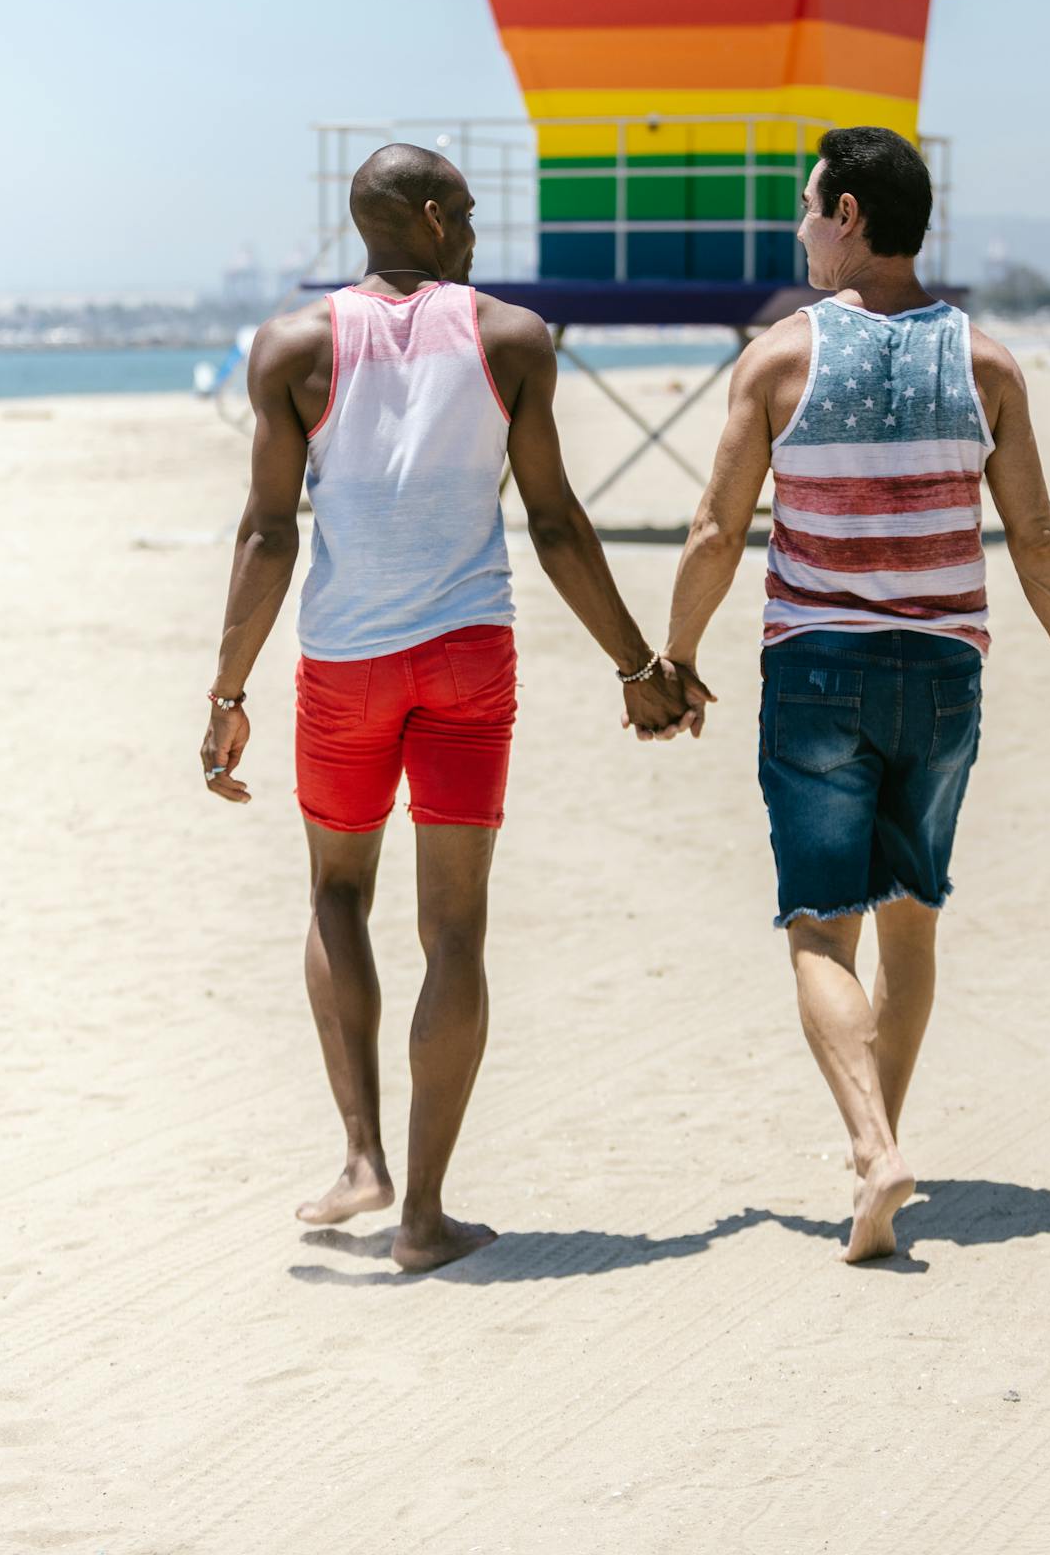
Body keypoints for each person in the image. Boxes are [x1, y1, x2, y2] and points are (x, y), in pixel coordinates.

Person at [200, 144, 691, 1272]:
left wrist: (229, 692)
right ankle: (422, 1217)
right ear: (429, 215)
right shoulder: (511, 338)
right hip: (469, 657)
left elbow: (268, 532)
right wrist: (635, 667)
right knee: (455, 929)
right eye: (464, 209)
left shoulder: (291, 347)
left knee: (335, 892)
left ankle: (362, 1155)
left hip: (344, 666)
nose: (473, 227)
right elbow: (557, 522)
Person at [658, 126, 1050, 1263]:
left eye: (810, 206)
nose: (801, 226)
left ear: (851, 213)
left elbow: (717, 531)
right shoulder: (987, 365)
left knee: (821, 926)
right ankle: (885, 1145)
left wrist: (671, 661)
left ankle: (873, 1153)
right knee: (910, 926)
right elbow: (1037, 537)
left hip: (817, 671)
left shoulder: (777, 360)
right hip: (943, 678)